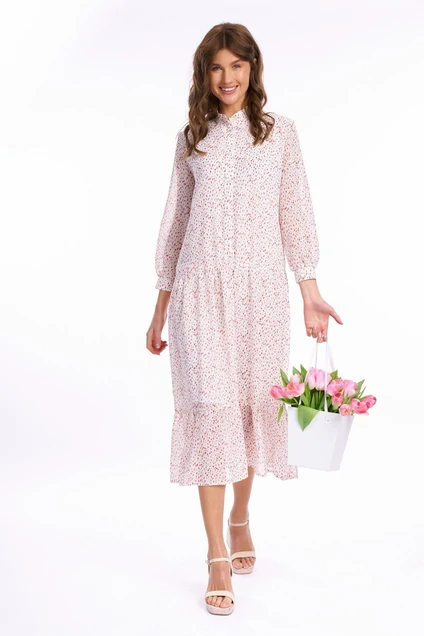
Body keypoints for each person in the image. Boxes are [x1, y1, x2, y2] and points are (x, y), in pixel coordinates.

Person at [146, 22, 343, 616]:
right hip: (198, 295)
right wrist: (159, 307)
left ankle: (240, 516)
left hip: (260, 296)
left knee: (248, 410)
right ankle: (215, 554)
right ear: (204, 75)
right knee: (211, 412)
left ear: (252, 69)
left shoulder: (280, 134)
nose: (227, 77)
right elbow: (175, 223)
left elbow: (295, 211)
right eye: (216, 67)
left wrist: (310, 290)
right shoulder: (191, 138)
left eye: (237, 65)